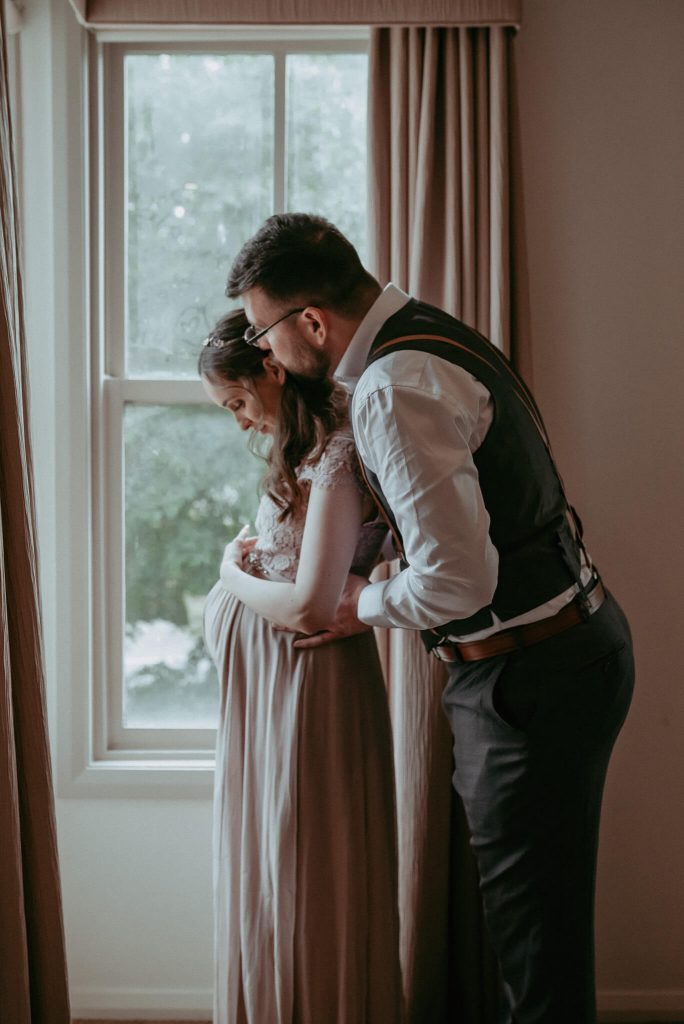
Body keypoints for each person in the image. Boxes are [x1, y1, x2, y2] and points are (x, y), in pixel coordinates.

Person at [224, 213, 636, 1024]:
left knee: (536, 953)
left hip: (527, 676)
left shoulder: (392, 384)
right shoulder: (429, 333)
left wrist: (360, 604)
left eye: (262, 331)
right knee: (538, 933)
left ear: (311, 320)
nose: (262, 352)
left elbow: (458, 578)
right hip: (564, 647)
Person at [199, 309, 403, 1024]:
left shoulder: (339, 454)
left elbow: (308, 607)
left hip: (309, 688)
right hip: (267, 694)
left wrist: (228, 571)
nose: (241, 422)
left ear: (272, 370)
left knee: (311, 866)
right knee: (270, 865)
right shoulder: (307, 451)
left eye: (239, 402)